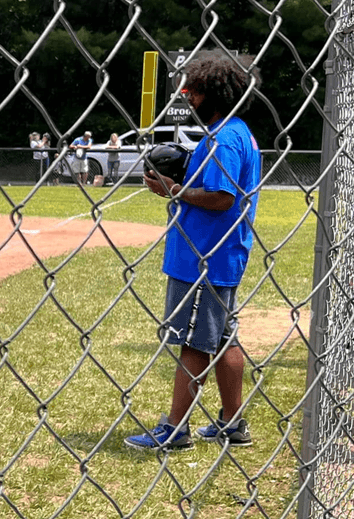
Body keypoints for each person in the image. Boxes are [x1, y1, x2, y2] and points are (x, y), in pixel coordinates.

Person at [124, 50, 261, 451]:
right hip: (219, 255)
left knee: (194, 341)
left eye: (196, 90)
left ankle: (174, 429)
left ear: (217, 92)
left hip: (206, 257)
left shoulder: (225, 138)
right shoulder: (235, 131)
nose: (189, 97)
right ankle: (232, 423)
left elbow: (222, 197)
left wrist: (174, 190)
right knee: (222, 340)